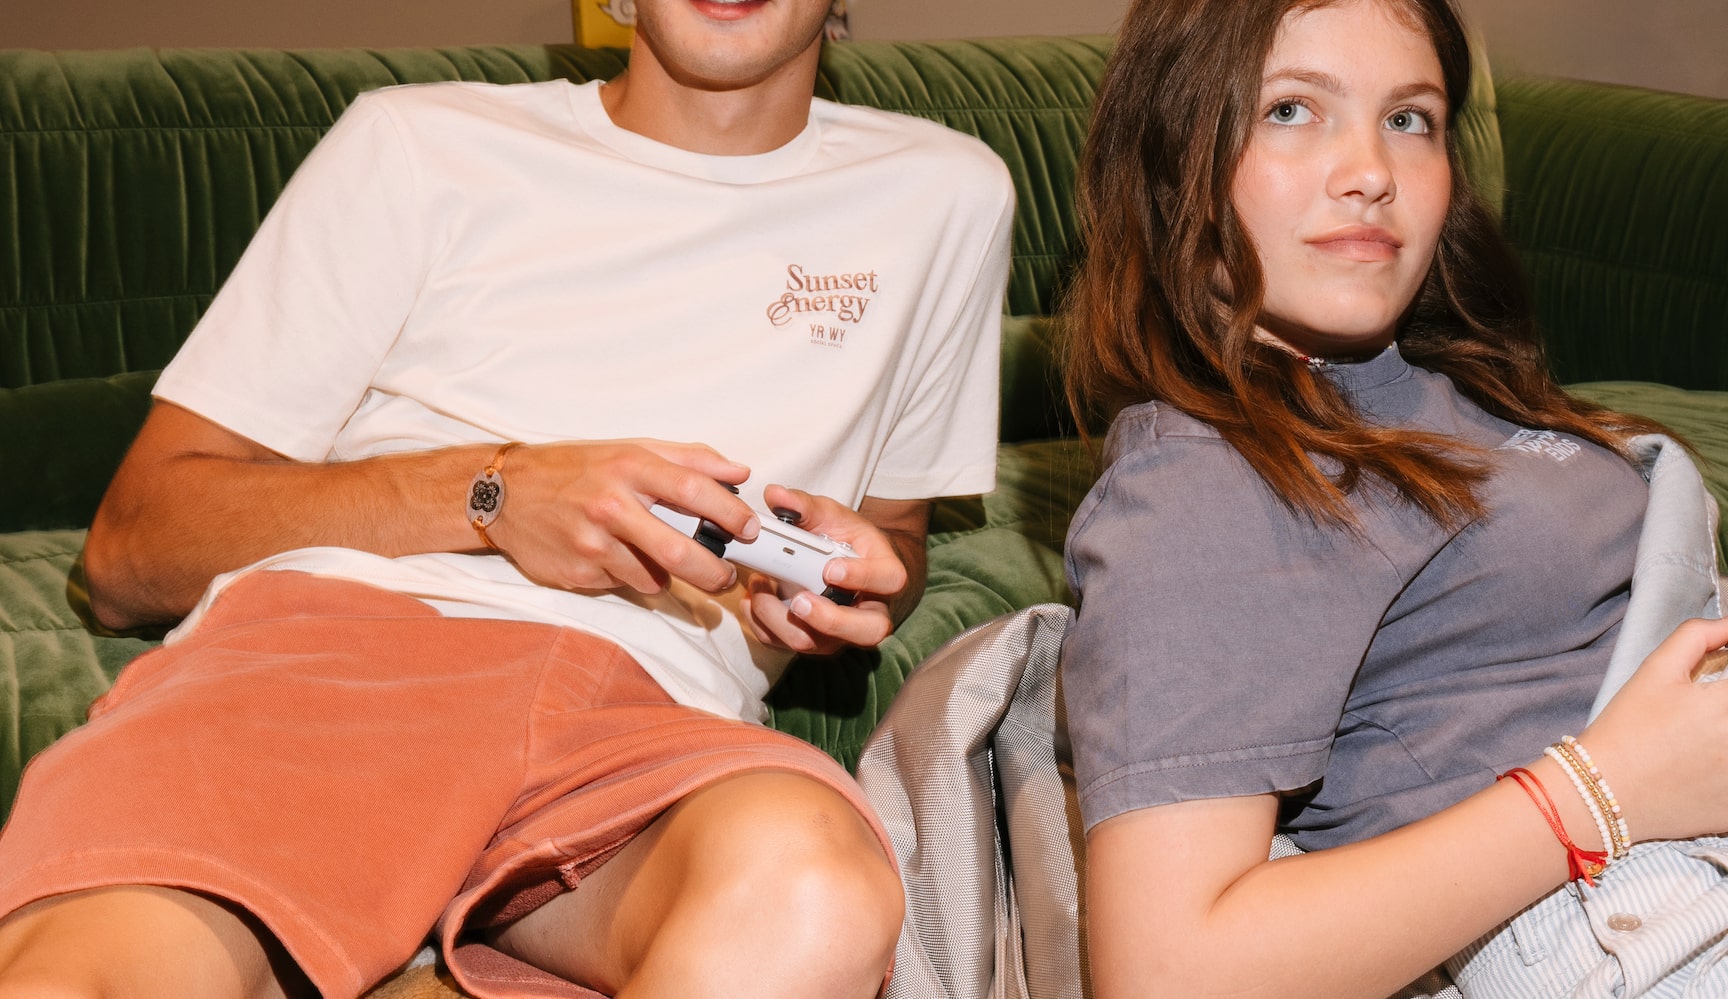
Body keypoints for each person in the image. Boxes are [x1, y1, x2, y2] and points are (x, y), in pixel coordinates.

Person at [0, 1, 1015, 997]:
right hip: (338, 665)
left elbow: (892, 533)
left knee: (813, 896)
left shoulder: (946, 195)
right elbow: (131, 553)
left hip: (644, 719)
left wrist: (849, 586)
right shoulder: (419, 144)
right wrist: (495, 492)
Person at [1056, 0, 1728, 996]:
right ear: (1169, 158)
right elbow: (1167, 971)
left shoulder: (1428, 389)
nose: (1371, 171)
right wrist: (1605, 791)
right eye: (1292, 110)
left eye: (1409, 118)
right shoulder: (1200, 483)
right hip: (1706, 954)